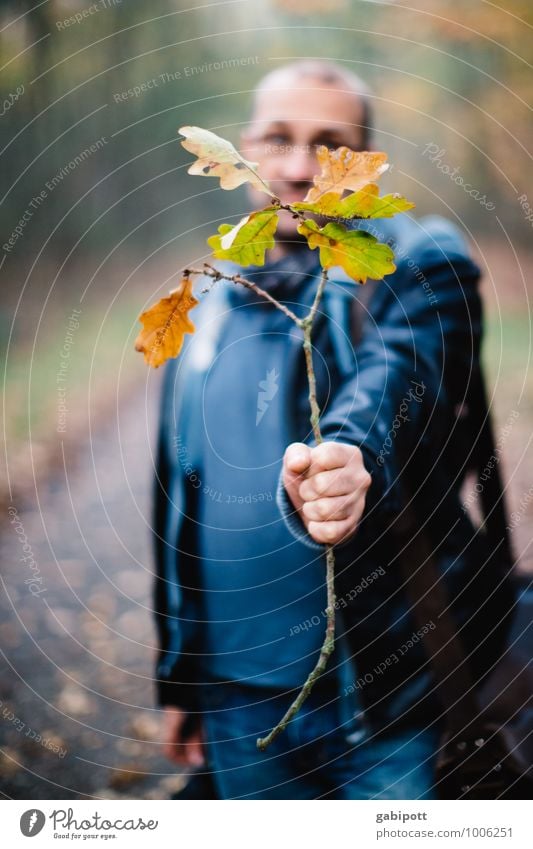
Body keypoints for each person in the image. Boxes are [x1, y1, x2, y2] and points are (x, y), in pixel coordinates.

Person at [152, 60, 513, 799]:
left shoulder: (417, 261)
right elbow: (178, 496)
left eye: (326, 146)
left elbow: (399, 369)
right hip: (234, 697)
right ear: (242, 148)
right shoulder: (212, 295)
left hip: (384, 700)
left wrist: (349, 452)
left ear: (361, 163)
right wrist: (180, 675)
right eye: (276, 139)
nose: (294, 167)